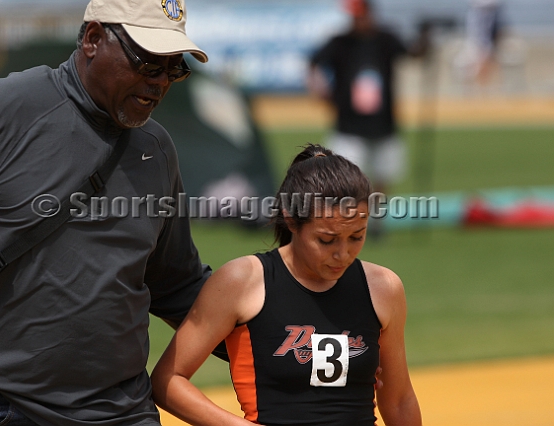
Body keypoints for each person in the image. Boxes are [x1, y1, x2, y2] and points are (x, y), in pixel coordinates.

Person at [0, 0, 214, 425]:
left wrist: (279, 319)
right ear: (93, 39)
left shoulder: (157, 149)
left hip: (121, 412)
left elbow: (177, 284)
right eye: (148, 63)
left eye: (174, 68)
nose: (161, 82)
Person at [151, 144, 422, 425]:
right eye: (326, 240)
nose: (343, 254)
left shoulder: (383, 288)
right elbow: (168, 380)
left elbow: (399, 400)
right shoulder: (242, 281)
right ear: (291, 219)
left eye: (357, 236)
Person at [307, 0, 428, 237]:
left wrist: (425, 38)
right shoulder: (340, 42)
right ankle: (347, 221)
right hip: (348, 124)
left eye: (358, 15)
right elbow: (314, 64)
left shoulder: (386, 39)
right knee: (344, 179)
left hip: (383, 123)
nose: (355, 21)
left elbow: (413, 54)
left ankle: (375, 221)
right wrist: (321, 91)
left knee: (383, 175)